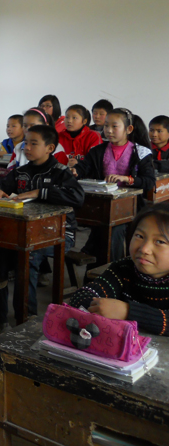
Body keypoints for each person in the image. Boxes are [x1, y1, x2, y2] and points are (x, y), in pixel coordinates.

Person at [0, 125, 84, 323]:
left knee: (28, 256)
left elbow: (78, 197)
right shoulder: (20, 172)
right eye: (26, 143)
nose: (27, 148)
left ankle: (26, 317)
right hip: (23, 232)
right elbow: (2, 185)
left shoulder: (61, 173)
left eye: (34, 143)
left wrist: (40, 192)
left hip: (59, 233)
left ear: (50, 148)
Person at [69, 203, 169, 336]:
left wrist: (128, 311)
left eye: (160, 242)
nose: (144, 249)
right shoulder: (123, 270)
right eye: (139, 236)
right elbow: (80, 297)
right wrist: (99, 307)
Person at [75, 108, 156, 264]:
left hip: (130, 208)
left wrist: (128, 179)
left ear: (129, 129)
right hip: (102, 206)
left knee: (113, 230)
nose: (108, 130)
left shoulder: (140, 152)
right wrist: (75, 171)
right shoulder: (98, 151)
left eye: (114, 126)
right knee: (100, 228)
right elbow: (84, 168)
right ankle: (96, 270)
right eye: (106, 126)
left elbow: (149, 181)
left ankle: (112, 269)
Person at [59, 104, 102, 168]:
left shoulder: (93, 136)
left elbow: (96, 161)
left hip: (85, 172)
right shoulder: (59, 136)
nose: (69, 121)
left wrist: (80, 164)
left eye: (74, 118)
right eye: (67, 117)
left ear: (84, 121)